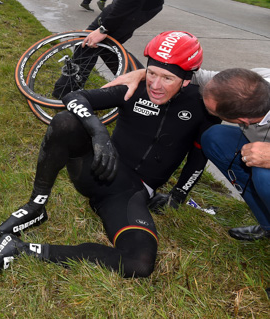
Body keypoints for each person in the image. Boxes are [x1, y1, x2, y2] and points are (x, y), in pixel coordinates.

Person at [0, 31, 219, 283]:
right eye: (152, 73)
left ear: (187, 80)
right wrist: (98, 132)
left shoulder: (204, 105)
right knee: (65, 123)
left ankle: (17, 249)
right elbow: (73, 97)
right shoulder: (134, 87)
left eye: (168, 78)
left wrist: (178, 195)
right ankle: (36, 206)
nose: (155, 86)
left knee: (139, 262)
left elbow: (199, 155)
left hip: (129, 194)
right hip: (99, 167)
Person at [109, 67, 270, 240]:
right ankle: (267, 224)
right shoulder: (253, 82)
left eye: (212, 112)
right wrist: (143, 73)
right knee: (215, 138)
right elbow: (191, 74)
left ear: (243, 121)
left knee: (263, 176)